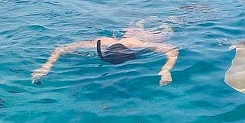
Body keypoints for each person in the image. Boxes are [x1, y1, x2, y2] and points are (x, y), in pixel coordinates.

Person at [31, 29, 179, 86]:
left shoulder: (135, 43)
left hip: (138, 35)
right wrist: (165, 71)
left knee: (164, 33)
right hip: (133, 35)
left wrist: (47, 66)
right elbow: (172, 51)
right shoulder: (98, 44)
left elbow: (60, 49)